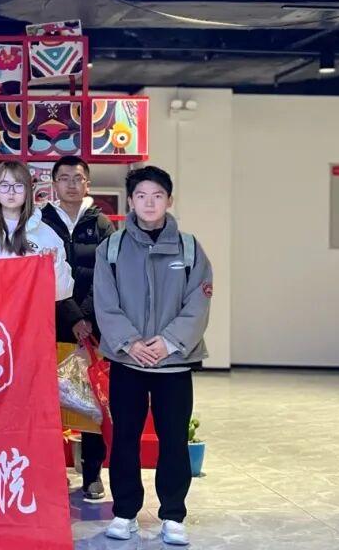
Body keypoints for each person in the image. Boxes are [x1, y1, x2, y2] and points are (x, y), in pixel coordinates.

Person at [94, 166, 212, 547]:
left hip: (173, 364)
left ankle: (173, 516)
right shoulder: (111, 248)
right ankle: (125, 512)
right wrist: (131, 343)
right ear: (130, 201)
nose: (149, 203)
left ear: (169, 200)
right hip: (128, 362)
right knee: (124, 438)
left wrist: (168, 342)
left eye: (157, 196)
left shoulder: (189, 249)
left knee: (173, 439)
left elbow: (198, 303)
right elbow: (105, 302)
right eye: (142, 196)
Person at [41, 156, 117, 500]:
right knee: (50, 401)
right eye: (64, 178)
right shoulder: (40, 222)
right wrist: (73, 316)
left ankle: (92, 473)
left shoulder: (101, 224)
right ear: (54, 183)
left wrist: (86, 318)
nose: (71, 184)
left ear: (88, 183)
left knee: (90, 400)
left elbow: (109, 275)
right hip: (50, 322)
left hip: (92, 326)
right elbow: (43, 273)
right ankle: (51, 472)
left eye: (78, 178)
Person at [0, 161, 76, 304]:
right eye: (4, 185)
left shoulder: (46, 233)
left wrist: (55, 264)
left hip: (29, 314)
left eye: (19, 185)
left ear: (28, 189)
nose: (11, 192)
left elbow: (63, 292)